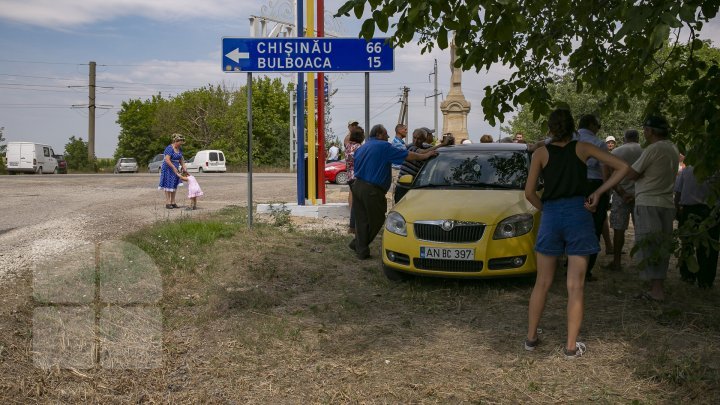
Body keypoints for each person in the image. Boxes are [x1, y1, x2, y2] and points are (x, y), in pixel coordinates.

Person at [524, 108, 628, 359]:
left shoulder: (540, 153)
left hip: (551, 215)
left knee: (543, 282)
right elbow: (623, 167)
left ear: (550, 128)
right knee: (575, 286)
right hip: (578, 215)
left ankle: (530, 339)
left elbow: (529, 193)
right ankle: (571, 347)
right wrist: (599, 192)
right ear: (573, 127)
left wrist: (547, 210)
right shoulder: (583, 148)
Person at [348, 124, 437, 259]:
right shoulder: (384, 147)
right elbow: (408, 155)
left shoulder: (363, 147)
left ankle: (359, 246)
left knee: (361, 219)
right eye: (385, 134)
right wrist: (425, 156)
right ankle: (361, 246)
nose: (388, 136)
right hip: (372, 189)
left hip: (357, 186)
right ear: (378, 134)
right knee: (377, 219)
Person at [626, 115, 679, 302]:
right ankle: (656, 287)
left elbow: (632, 173)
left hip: (649, 203)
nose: (644, 133)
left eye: (646, 129)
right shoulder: (673, 148)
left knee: (649, 244)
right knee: (661, 245)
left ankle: (656, 291)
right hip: (666, 203)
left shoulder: (653, 149)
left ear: (651, 131)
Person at [576, 114, 610, 281]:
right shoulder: (598, 144)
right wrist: (604, 192)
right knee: (593, 226)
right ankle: (586, 269)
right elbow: (605, 170)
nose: (599, 129)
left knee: (573, 224)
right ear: (591, 125)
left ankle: (570, 262)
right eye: (598, 125)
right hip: (593, 186)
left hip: (573, 186)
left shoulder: (570, 139)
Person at [674, 165, 718, 288]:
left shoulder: (686, 170)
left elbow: (678, 191)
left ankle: (688, 275)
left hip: (689, 211)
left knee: (687, 245)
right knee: (709, 247)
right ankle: (706, 279)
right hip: (710, 211)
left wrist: (677, 208)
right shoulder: (716, 169)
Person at [606, 129, 643, 271]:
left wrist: (621, 192)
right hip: (640, 194)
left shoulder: (616, 152)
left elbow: (609, 175)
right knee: (641, 229)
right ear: (638, 138)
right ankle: (642, 262)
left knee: (619, 229)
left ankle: (617, 262)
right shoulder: (645, 150)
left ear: (624, 138)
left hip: (620, 194)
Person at [393, 129, 452, 203]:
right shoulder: (411, 147)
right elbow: (421, 153)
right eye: (414, 138)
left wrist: (446, 144)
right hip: (403, 188)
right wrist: (442, 144)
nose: (416, 141)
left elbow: (431, 149)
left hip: (415, 188)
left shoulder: (425, 147)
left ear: (424, 139)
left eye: (419, 139)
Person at [158, 134, 188, 209]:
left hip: (175, 168)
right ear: (176, 141)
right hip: (168, 168)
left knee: (174, 184)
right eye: (180, 142)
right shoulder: (169, 148)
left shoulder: (179, 149)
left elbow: (181, 159)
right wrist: (173, 167)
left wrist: (184, 167)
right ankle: (168, 203)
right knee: (168, 184)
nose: (181, 144)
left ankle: (173, 202)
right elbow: (167, 159)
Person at [345, 126, 365, 234]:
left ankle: (353, 226)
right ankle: (354, 226)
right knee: (359, 203)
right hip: (357, 177)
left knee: (356, 202)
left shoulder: (348, 145)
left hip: (349, 177)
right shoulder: (359, 147)